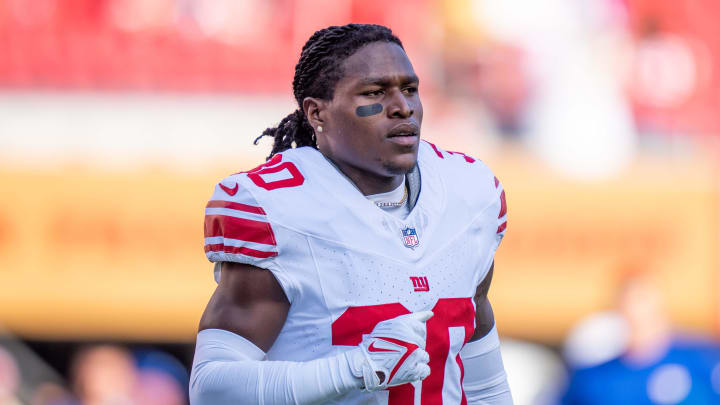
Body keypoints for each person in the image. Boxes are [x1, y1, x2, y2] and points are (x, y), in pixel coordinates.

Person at [190, 24, 512, 405]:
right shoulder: (279, 209)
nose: (403, 107)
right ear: (317, 112)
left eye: (409, 89)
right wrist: (356, 369)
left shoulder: (468, 193)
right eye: (375, 93)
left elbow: (481, 371)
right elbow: (211, 388)